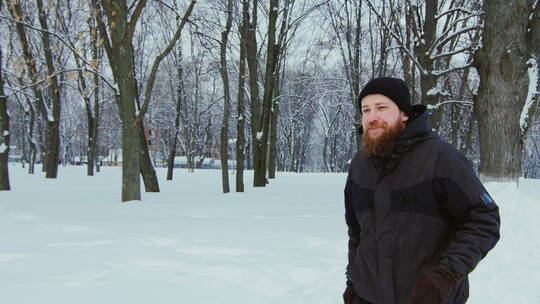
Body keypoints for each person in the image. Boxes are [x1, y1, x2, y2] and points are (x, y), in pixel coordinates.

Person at [343, 77, 500, 304]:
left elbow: (484, 219)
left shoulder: (441, 158)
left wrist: (446, 275)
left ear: (404, 113)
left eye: (381, 107)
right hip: (367, 298)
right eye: (366, 110)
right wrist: (353, 281)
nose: (372, 117)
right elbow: (356, 231)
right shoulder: (360, 164)